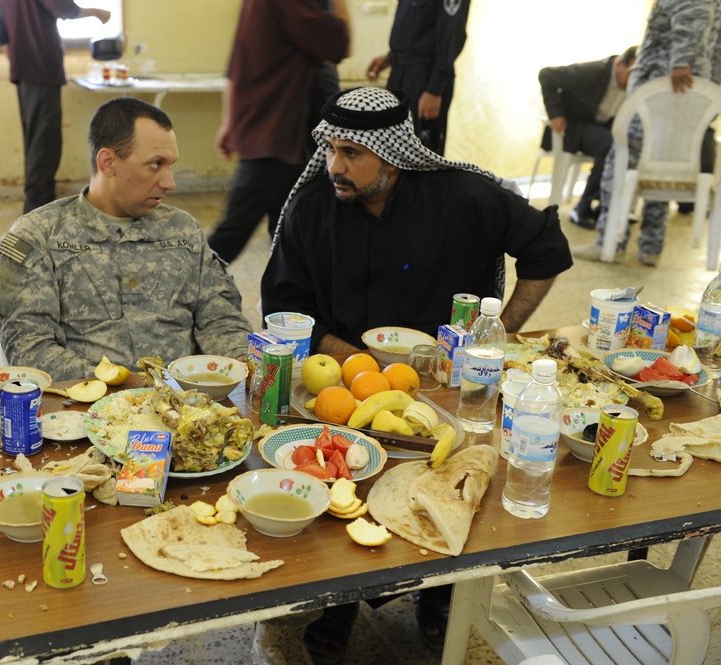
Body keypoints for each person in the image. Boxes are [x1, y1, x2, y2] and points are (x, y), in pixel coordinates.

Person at [255, 88, 572, 664]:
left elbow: (546, 250)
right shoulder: (311, 208)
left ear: (393, 153)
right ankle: (339, 599)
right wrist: (356, 360)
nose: (333, 166)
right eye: (328, 148)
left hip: (452, 385)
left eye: (352, 152)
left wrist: (493, 338)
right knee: (342, 480)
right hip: (344, 382)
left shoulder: (465, 199)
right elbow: (287, 303)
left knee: (455, 489)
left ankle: (441, 592)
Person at [0, 97, 251, 381]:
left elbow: (221, 319)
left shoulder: (183, 231)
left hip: (185, 408)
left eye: (170, 165)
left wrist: (239, 362)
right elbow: (30, 350)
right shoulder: (38, 236)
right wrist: (129, 388)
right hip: (83, 409)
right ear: (108, 163)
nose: (169, 182)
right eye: (155, 164)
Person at [573, 0, 720, 266]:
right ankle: (651, 247)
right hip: (682, 94)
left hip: (661, 92)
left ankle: (610, 242)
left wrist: (680, 64)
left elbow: (693, 11)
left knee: (623, 159)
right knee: (661, 167)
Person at [206, 0, 350, 264]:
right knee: (233, 232)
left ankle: (284, 300)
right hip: (274, 136)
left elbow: (236, 64)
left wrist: (230, 121)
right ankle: (174, 290)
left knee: (286, 234)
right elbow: (341, 42)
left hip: (277, 135)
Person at [0, 0, 111, 214]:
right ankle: (39, 215)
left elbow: (0, 31)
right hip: (43, 72)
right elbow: (66, 9)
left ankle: (34, 210)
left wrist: (20, 61)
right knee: (45, 145)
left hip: (25, 75)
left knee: (35, 143)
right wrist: (98, 13)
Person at [538, 46, 638, 229]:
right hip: (572, 126)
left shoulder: (634, 86)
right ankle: (583, 207)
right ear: (618, 64)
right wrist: (555, 114)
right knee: (610, 145)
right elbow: (547, 75)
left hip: (597, 127)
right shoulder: (594, 71)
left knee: (629, 144)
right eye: (632, 72)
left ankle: (607, 207)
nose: (634, 79)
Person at [365, 0, 470, 155]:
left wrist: (435, 89)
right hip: (401, 73)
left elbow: (451, 35)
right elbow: (417, 26)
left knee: (422, 157)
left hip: (425, 80)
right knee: (394, 152)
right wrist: (392, 57)